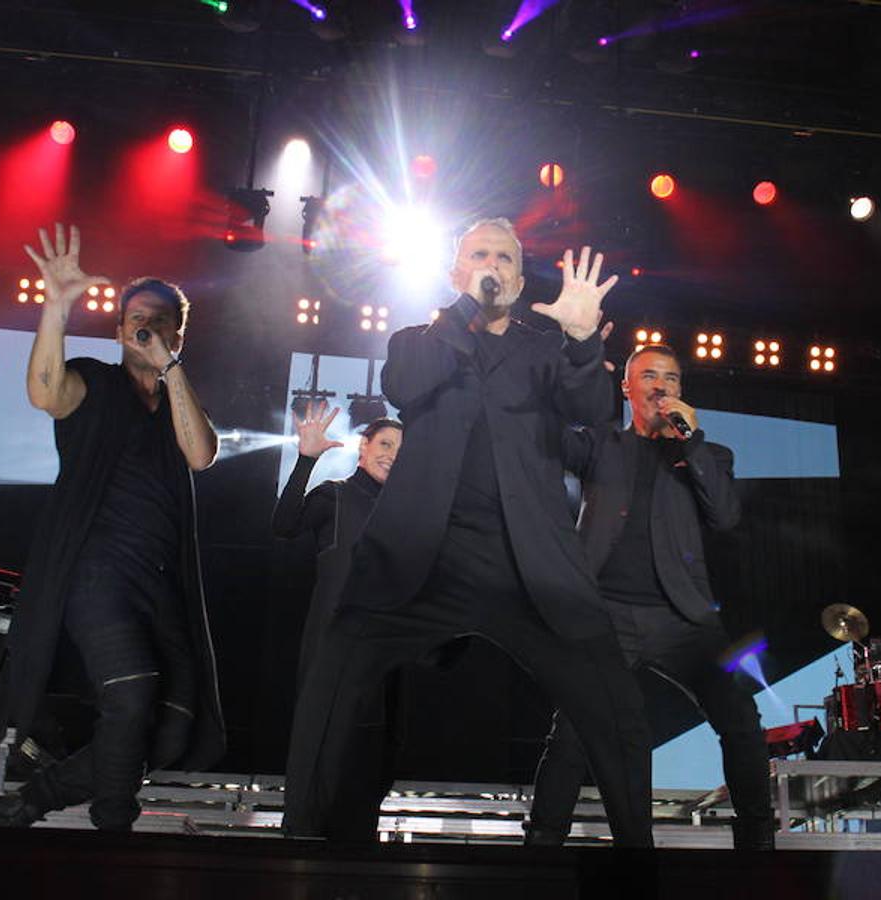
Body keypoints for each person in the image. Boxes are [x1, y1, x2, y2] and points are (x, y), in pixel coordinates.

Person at [283, 218, 653, 846]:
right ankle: (296, 846)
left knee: (616, 711)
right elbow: (402, 385)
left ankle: (639, 865)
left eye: (504, 258)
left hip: (527, 564)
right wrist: (463, 312)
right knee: (333, 676)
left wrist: (585, 339)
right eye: (479, 256)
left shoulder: (544, 349)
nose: (493, 266)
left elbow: (593, 411)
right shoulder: (417, 341)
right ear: (456, 273)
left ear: (518, 274)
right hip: (422, 557)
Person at [0, 223, 225, 830]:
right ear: (118, 331)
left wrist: (171, 371)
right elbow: (45, 392)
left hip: (160, 582)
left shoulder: (177, 400)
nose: (146, 325)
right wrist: (55, 308)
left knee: (169, 727)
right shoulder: (96, 381)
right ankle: (114, 827)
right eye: (136, 318)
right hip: (97, 573)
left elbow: (201, 454)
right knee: (132, 690)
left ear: (177, 333)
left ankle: (35, 798)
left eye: (160, 319)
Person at [525, 344, 775, 849]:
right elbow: (544, 436)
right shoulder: (601, 445)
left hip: (685, 618)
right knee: (574, 728)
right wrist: (576, 367)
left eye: (672, 378)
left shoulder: (708, 453)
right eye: (649, 376)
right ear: (628, 387)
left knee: (741, 719)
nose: (661, 386)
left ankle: (757, 844)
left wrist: (692, 443)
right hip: (605, 614)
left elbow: (726, 517)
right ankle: (542, 845)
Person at [272, 411, 404, 840]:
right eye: (385, 444)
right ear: (364, 447)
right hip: (330, 652)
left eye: (402, 451)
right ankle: (301, 848)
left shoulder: (408, 513)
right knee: (319, 755)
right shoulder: (336, 497)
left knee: (368, 763)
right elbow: (284, 525)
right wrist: (305, 460)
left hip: (380, 660)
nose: (392, 456)